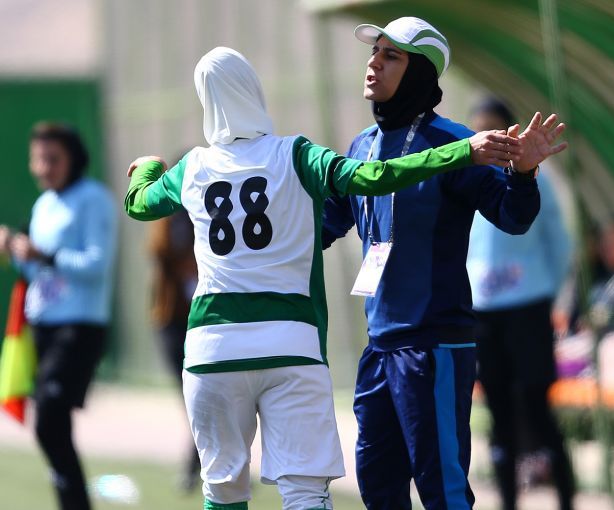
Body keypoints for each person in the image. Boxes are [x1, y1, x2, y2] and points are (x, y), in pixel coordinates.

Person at [124, 46, 525, 510]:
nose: (374, 62)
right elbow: (374, 177)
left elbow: (139, 202)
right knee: (306, 491)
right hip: (291, 344)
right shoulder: (296, 154)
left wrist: (149, 167)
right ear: (255, 91)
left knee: (223, 490)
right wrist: (462, 152)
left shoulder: (191, 166)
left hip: (213, 349)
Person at [321, 17, 568, 510]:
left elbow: (513, 217)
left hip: (434, 346)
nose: (374, 63)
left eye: (391, 55)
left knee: (443, 493)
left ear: (419, 72)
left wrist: (523, 174)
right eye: (374, 53)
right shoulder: (360, 147)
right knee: (378, 487)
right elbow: (326, 225)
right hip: (379, 348)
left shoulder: (456, 145)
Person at [0, 122, 117, 510]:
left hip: (79, 326)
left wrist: (44, 255)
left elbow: (96, 265)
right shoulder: (44, 204)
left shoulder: (93, 198)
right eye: (37, 159)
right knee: (54, 426)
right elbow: (36, 271)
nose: (43, 168)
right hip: (42, 326)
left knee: (49, 420)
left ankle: (75, 502)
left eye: (53, 159)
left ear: (74, 159)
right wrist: (13, 249)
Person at [466, 98, 575, 510]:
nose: (489, 137)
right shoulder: (468, 179)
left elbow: (558, 243)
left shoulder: (533, 180)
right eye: (480, 129)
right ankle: (508, 502)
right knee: (498, 415)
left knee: (537, 407)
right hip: (483, 312)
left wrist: (544, 288)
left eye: (496, 128)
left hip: (528, 307)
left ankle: (565, 499)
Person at [147, 211, 201, 491]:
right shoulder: (169, 214)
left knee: (206, 393)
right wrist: (187, 263)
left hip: (205, 317)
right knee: (191, 395)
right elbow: (157, 248)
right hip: (173, 319)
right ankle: (198, 462)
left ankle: (200, 463)